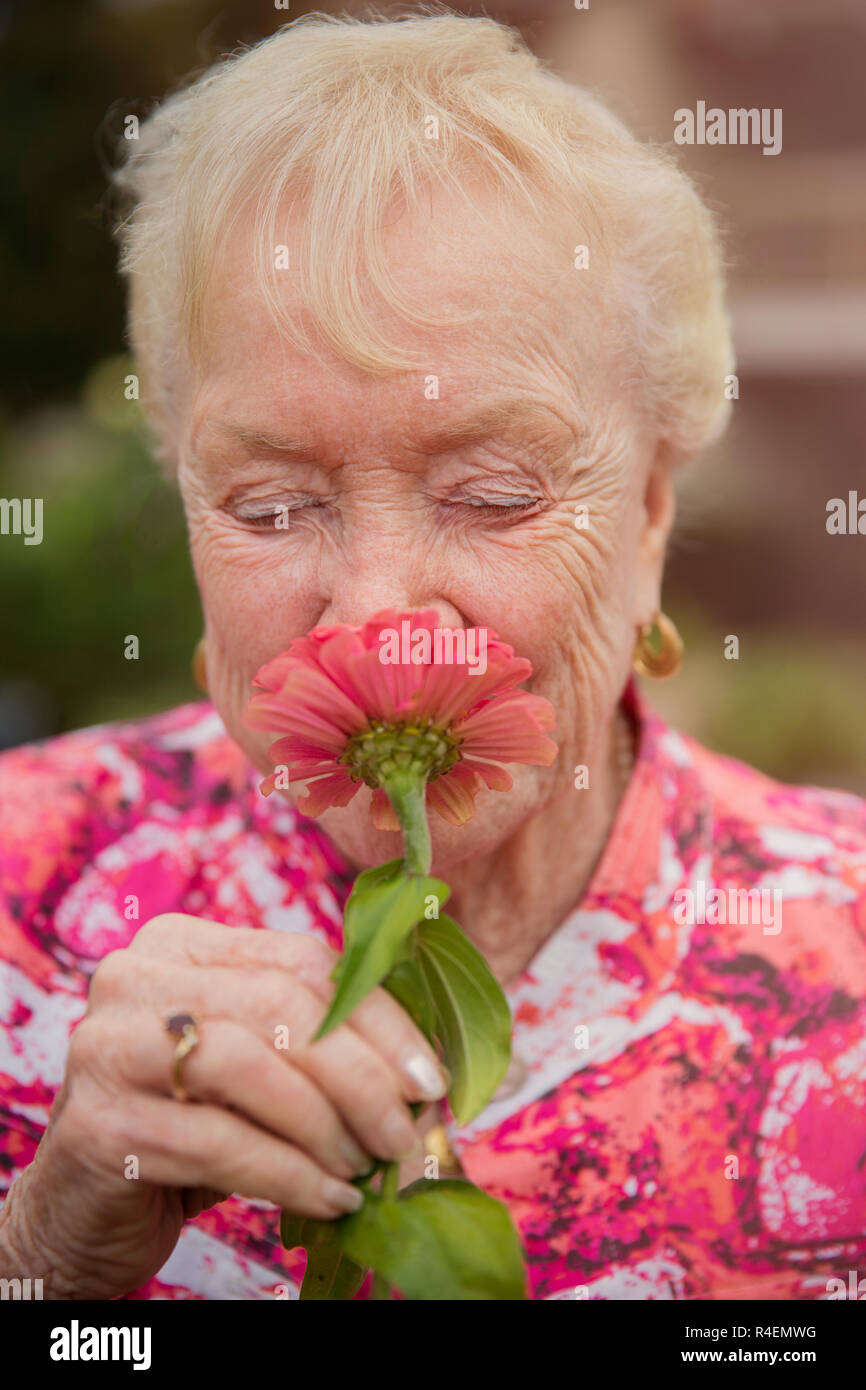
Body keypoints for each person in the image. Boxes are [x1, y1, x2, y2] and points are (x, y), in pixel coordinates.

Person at [1, 11, 864, 1301]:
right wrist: (51, 1258)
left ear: (647, 518)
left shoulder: (840, 966)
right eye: (273, 507)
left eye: (495, 492)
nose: (378, 611)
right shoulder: (23, 890)